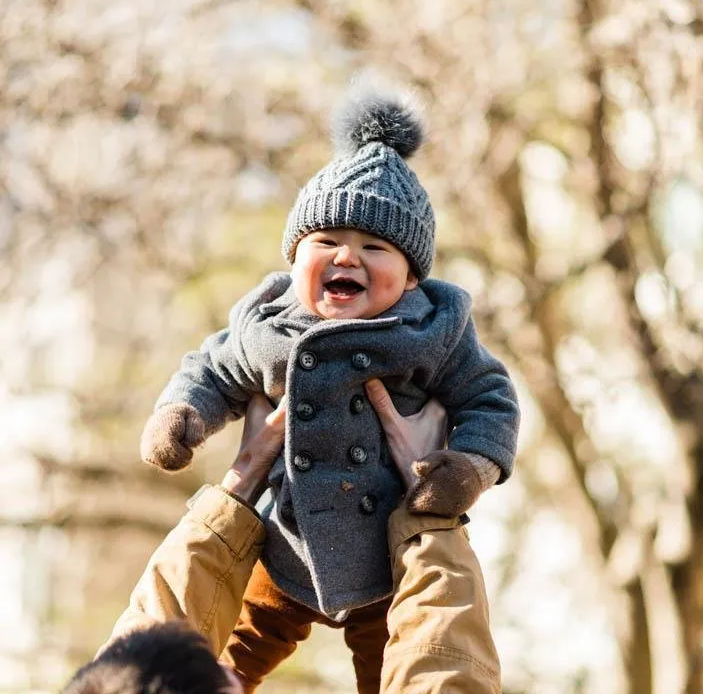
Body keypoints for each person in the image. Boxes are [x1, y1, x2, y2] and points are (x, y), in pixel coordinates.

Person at [139, 82, 519, 691]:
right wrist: (183, 415)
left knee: (398, 662)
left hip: (391, 556)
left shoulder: (434, 329)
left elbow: (489, 397)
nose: (349, 257)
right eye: (327, 242)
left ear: (412, 278)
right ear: (294, 258)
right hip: (281, 544)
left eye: (375, 247)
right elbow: (211, 368)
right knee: (221, 663)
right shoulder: (267, 324)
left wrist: (468, 467)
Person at [63, 386, 501, 694]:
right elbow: (445, 678)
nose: (234, 678)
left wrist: (243, 478)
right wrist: (428, 517)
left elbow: (127, 676)